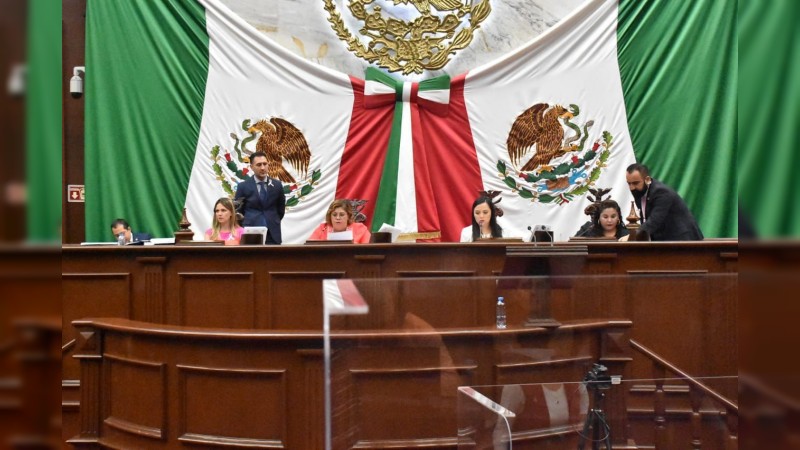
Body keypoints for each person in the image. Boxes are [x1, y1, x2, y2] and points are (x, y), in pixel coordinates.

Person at [625, 163, 703, 241]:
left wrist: (631, 237)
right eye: (629, 183)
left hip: (684, 241)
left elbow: (654, 221)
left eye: (635, 183)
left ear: (647, 180)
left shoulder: (661, 192)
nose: (631, 188)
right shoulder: (640, 193)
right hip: (665, 241)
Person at [234, 151, 286, 244]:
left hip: (273, 233)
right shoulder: (243, 186)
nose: (262, 167)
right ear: (251, 167)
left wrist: (273, 220)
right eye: (258, 165)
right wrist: (246, 224)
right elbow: (238, 212)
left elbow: (281, 209)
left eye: (265, 164)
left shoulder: (277, 185)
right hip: (251, 233)